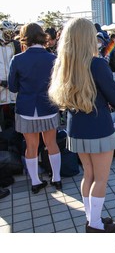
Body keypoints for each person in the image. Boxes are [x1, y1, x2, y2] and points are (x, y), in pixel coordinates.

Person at [49, 18, 115, 233]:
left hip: (76, 127)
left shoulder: (64, 64)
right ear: (88, 38)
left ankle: (92, 219)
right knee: (101, 179)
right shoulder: (97, 63)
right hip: (98, 126)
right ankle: (95, 225)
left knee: (88, 175)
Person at [8, 23, 61, 194]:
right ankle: (57, 178)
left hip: (26, 109)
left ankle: (36, 182)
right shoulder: (53, 58)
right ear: (41, 36)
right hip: (48, 106)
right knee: (51, 143)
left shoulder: (17, 59)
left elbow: (13, 87)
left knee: (31, 147)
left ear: (25, 38)